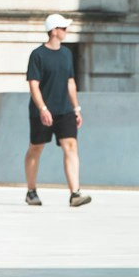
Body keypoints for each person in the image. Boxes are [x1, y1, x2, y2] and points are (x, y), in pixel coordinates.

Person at [24, 13, 90, 208]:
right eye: (63, 28)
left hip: (65, 110)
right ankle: (31, 190)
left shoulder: (67, 54)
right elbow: (33, 85)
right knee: (36, 148)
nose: (66, 31)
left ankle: (75, 193)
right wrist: (43, 108)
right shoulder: (38, 55)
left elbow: (71, 82)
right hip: (42, 111)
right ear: (54, 31)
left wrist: (76, 108)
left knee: (71, 146)